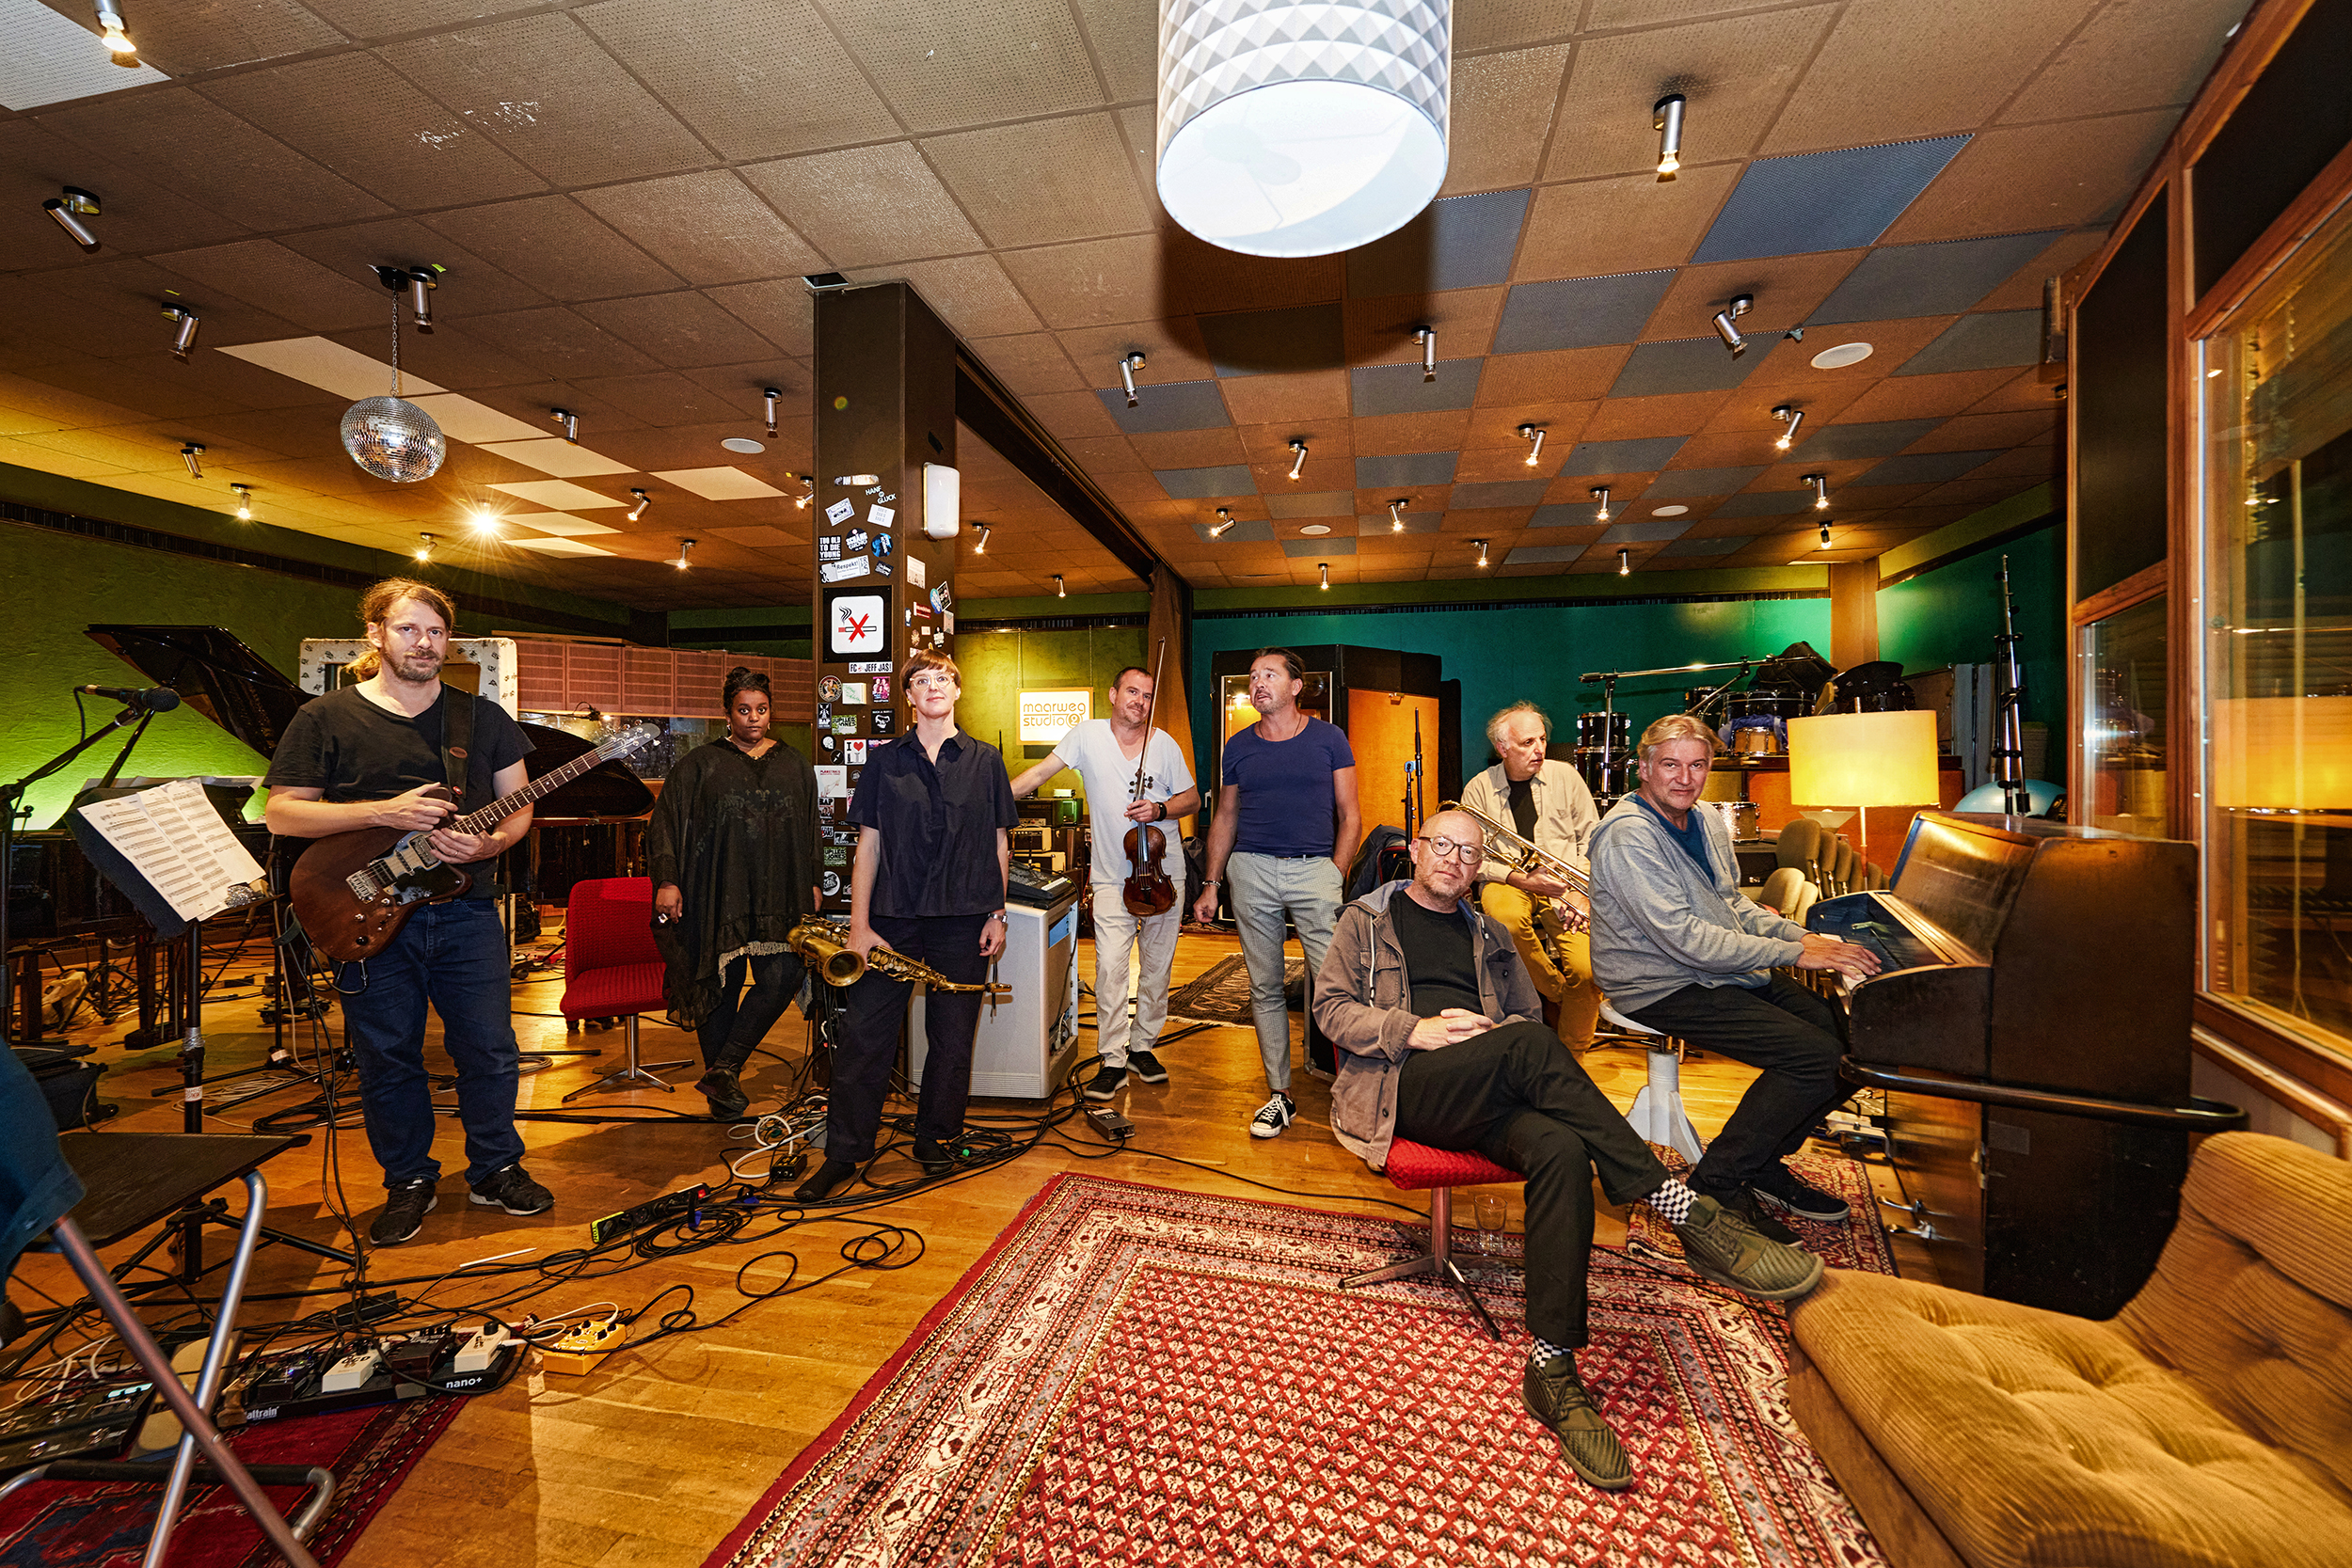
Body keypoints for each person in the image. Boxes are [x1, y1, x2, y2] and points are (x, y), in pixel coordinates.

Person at [1314, 807, 1823, 1491]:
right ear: (1417, 849)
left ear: (1479, 867)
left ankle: (1552, 1368)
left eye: (1469, 853)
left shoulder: (1490, 932)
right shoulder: (1365, 921)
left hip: (1485, 1083)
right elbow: (1330, 1010)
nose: (1455, 861)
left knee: (1559, 1146)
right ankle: (1681, 1207)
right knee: (1529, 1046)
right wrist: (1416, 1029)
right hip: (1404, 1085)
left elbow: (1524, 1017)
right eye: (1443, 846)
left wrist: (1489, 1031)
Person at [264, 578, 549, 1246]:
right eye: (408, 629)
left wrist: (492, 842)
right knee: (388, 1056)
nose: (424, 643)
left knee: (490, 1048)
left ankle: (496, 1168)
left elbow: (520, 806)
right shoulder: (325, 718)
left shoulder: (480, 719)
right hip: (366, 911)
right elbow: (281, 813)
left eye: (436, 632)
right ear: (375, 634)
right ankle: (408, 1180)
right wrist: (382, 813)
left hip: (467, 912)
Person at [1588, 714, 1882, 1242]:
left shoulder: (1704, 819)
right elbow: (1686, 939)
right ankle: (1717, 1184)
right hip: (1657, 983)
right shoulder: (1628, 837)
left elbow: (1731, 906)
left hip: (1716, 971)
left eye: (1697, 765)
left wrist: (1802, 937)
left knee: (1855, 1042)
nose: (1685, 779)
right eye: (1670, 765)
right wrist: (1795, 953)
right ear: (1644, 768)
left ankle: (1761, 1163)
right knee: (1813, 1058)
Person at [795, 652, 1017, 1202]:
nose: (933, 686)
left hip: (964, 920)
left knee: (952, 1040)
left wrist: (997, 913)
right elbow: (867, 847)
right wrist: (859, 926)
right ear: (909, 697)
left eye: (943, 678)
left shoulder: (987, 761)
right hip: (891, 921)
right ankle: (844, 1153)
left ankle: (935, 1138)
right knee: (864, 1038)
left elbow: (999, 844)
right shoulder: (884, 762)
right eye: (921, 680)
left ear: (957, 691)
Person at [1190, 648, 1360, 1138]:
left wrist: (1334, 873)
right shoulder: (1238, 745)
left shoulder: (1330, 738)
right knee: (1264, 988)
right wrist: (1211, 884)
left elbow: (1351, 814)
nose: (1258, 683)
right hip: (1251, 871)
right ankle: (1279, 1095)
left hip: (1315, 871)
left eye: (1269, 674)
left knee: (1334, 983)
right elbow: (1225, 817)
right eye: (1253, 676)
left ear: (1295, 686)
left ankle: (1357, 1088)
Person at [1009, 665, 1200, 1101]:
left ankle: (1143, 1046)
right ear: (1113, 695)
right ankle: (1112, 1058)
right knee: (1111, 968)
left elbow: (1191, 799)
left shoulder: (1164, 744)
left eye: (1148, 696)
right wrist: (990, 796)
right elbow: (1039, 774)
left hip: (1164, 874)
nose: (1140, 702)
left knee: (1157, 968)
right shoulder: (1086, 735)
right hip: (1113, 875)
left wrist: (1160, 809)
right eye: (1132, 692)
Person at [649, 666, 818, 1120]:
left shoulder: (794, 764)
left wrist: (813, 882)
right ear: (727, 714)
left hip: (780, 894)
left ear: (770, 712)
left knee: (783, 975)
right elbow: (665, 825)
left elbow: (810, 829)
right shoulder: (699, 765)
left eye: (761, 709)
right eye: (744, 710)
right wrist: (667, 880)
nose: (753, 718)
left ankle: (725, 1067)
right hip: (714, 892)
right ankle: (721, 1095)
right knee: (718, 987)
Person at [1459, 701, 1602, 1046]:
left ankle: (1572, 1057)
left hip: (1566, 883)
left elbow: (1593, 839)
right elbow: (1471, 858)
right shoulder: (1478, 788)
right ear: (1502, 748)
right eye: (1527, 743)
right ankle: (1557, 992)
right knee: (1506, 922)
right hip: (1508, 880)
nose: (1539, 749)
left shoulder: (1566, 777)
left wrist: (1580, 891)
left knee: (1587, 972)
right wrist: (1519, 879)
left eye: (1542, 739)